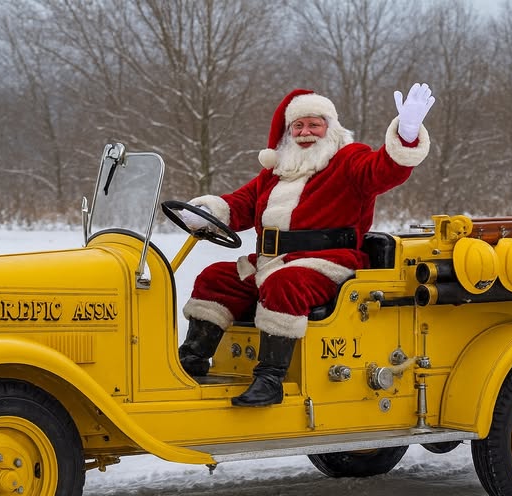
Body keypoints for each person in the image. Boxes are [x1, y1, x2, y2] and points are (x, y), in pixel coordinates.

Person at [177, 84, 435, 407]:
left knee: (284, 284)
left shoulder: (347, 160)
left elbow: (382, 170)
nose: (305, 132)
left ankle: (271, 379)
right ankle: (191, 362)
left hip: (327, 262)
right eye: (298, 126)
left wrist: (407, 134)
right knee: (215, 278)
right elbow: (240, 204)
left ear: (330, 128)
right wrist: (205, 213)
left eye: (314, 124)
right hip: (271, 261)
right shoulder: (276, 172)